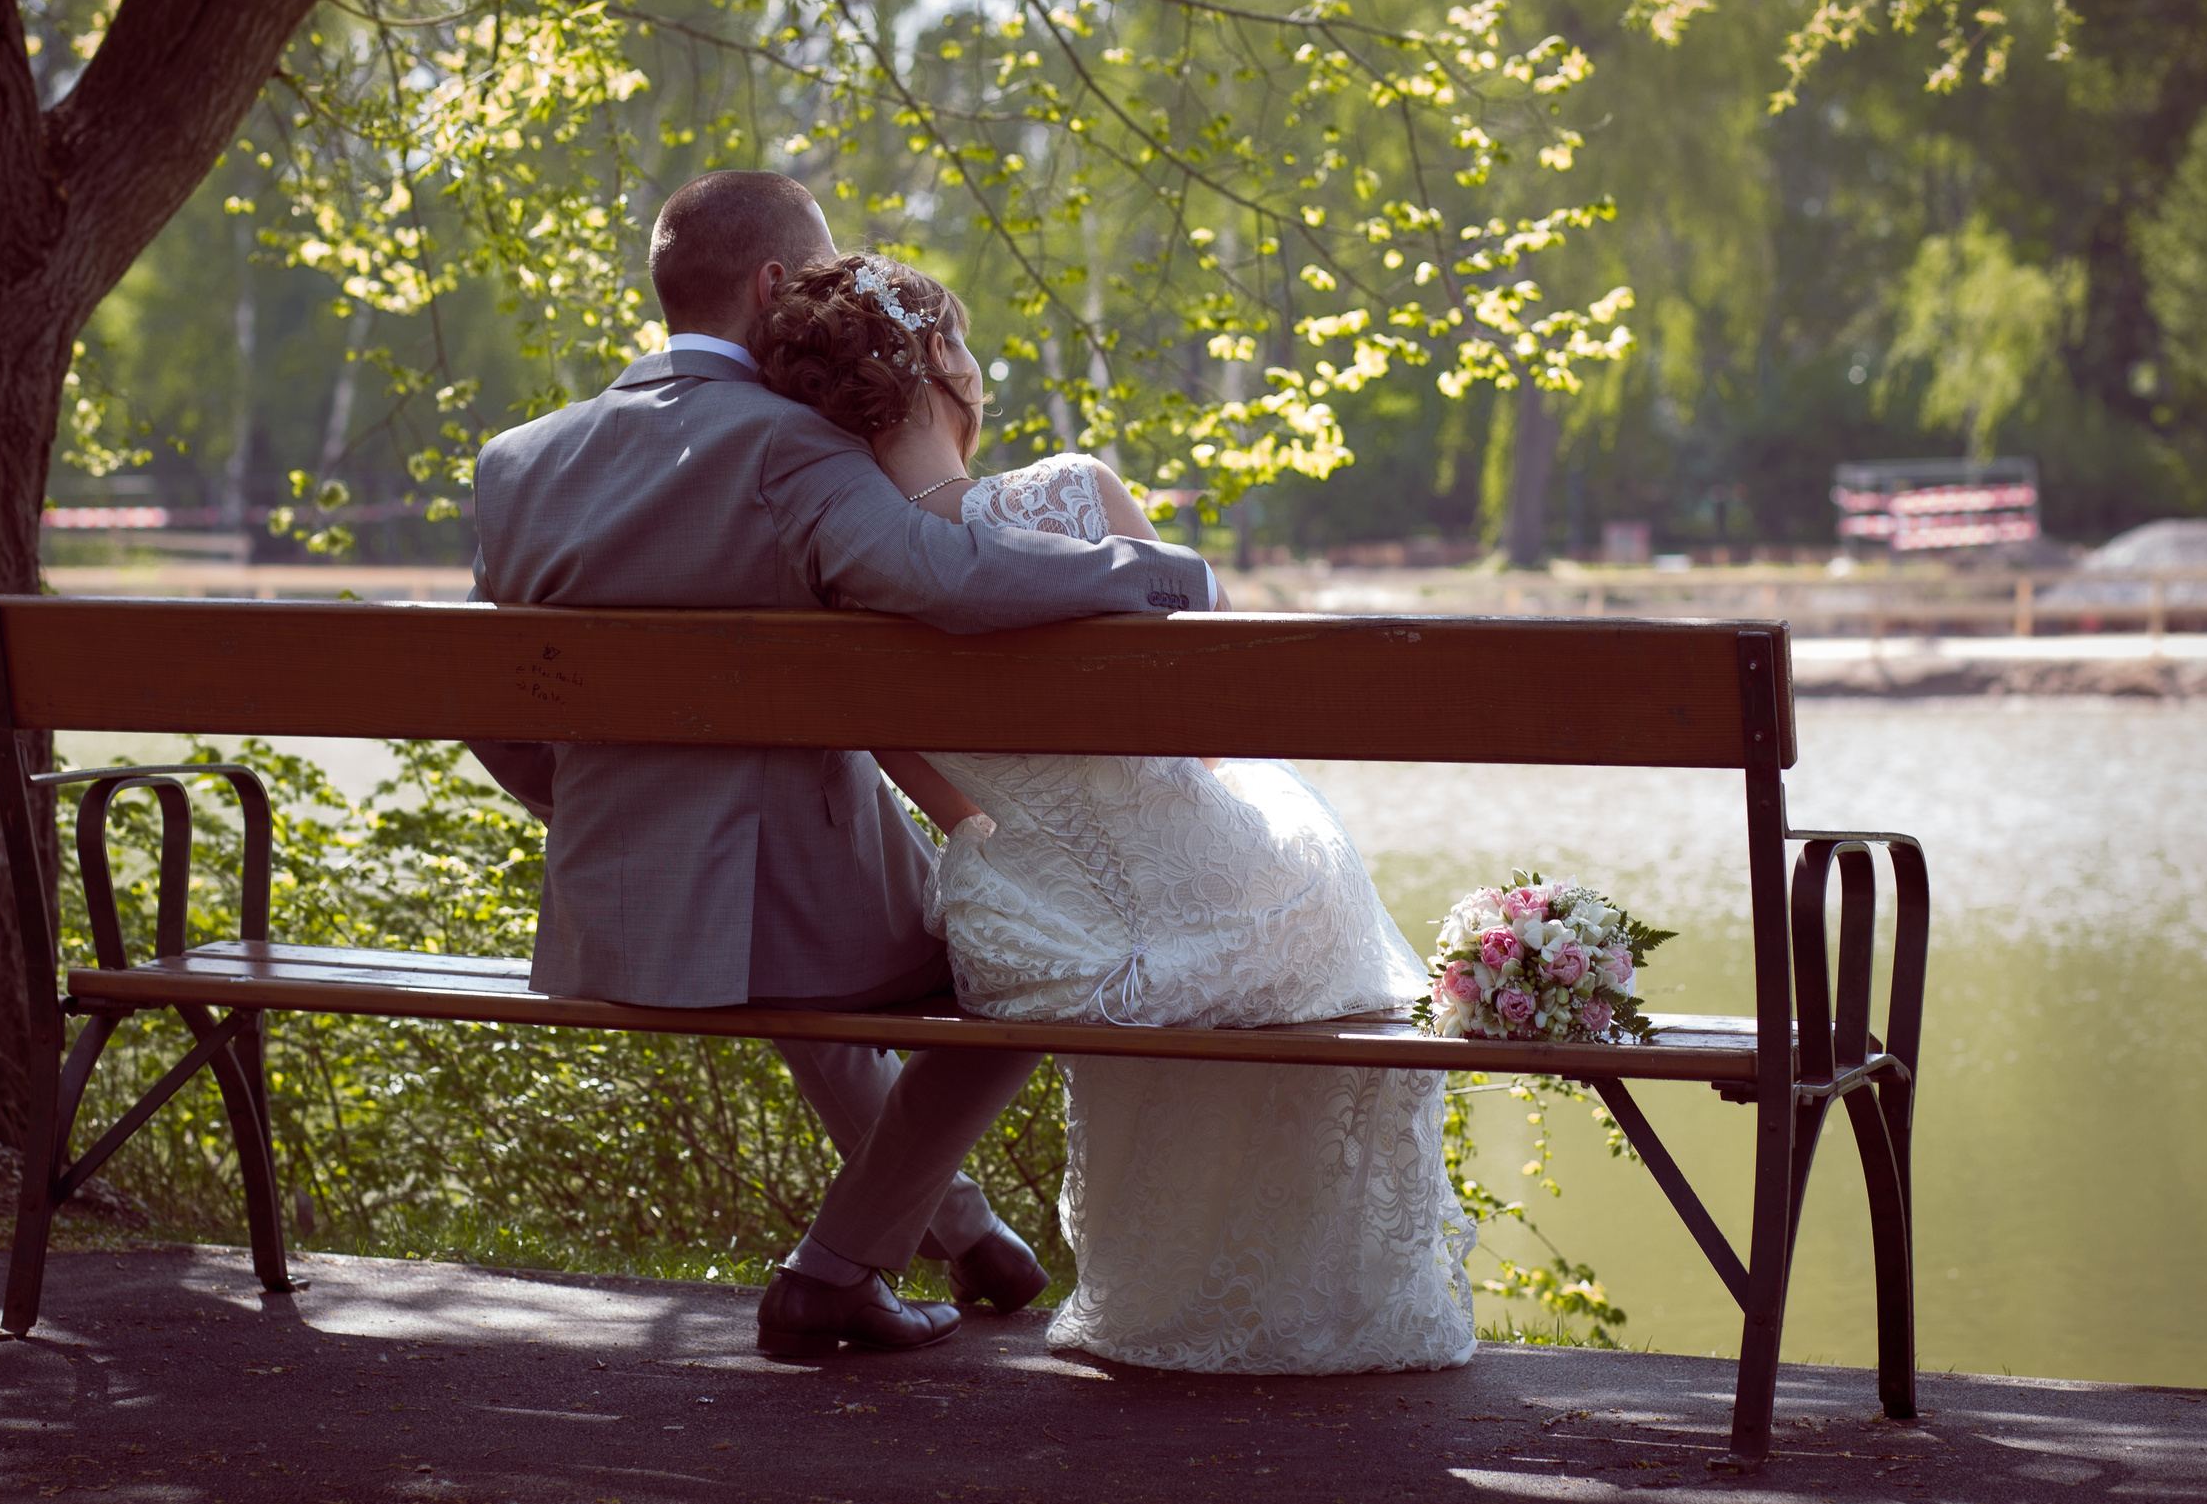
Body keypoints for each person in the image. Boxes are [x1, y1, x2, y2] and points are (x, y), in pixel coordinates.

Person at [464, 172, 1222, 1361]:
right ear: (770, 287)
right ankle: (836, 1269)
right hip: (777, 915)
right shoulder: (788, 442)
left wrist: (603, 810)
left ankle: (965, 1235)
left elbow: (493, 714)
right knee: (1037, 960)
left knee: (825, 930)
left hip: (608, 907)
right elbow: (948, 579)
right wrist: (1156, 575)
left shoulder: (519, 460)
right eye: (810, 277)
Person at [750, 253, 1480, 1375]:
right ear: (942, 357)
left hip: (1033, 931)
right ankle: (1298, 1294)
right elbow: (1209, 723)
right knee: (1290, 871)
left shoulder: (841, 570)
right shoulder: (1069, 497)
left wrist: (1041, 848)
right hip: (1205, 899)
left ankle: (1134, 1289)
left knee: (1159, 929)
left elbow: (940, 794)